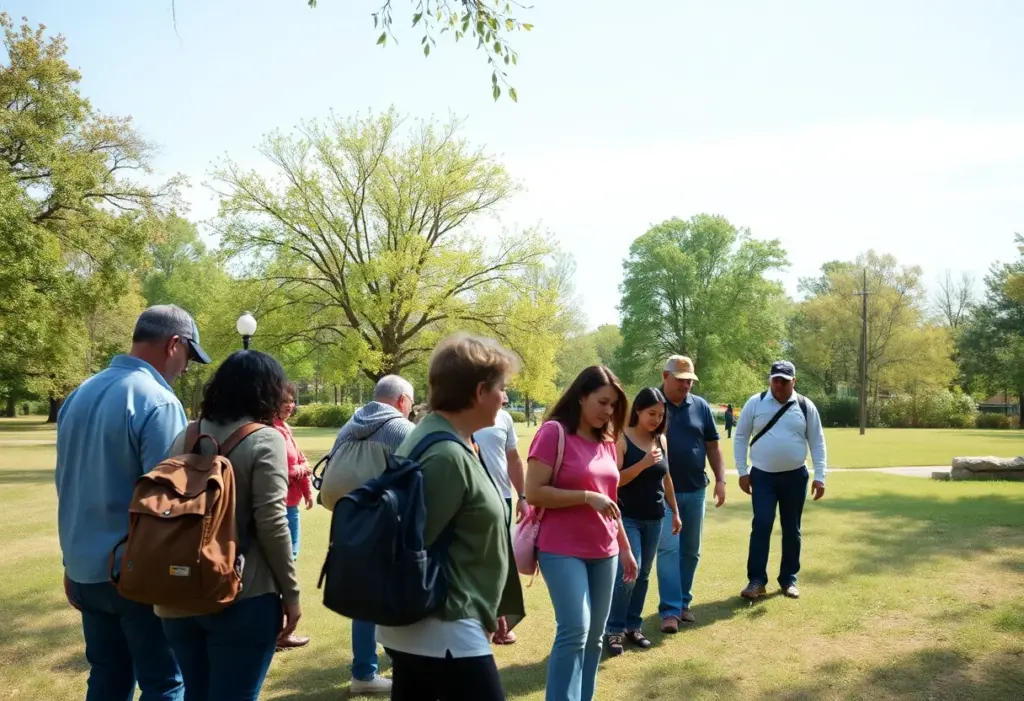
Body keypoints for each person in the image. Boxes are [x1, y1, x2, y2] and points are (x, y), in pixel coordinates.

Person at [55, 304, 211, 701]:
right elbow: (169, 505)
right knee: (163, 681)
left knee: (107, 676)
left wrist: (70, 564)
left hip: (84, 567)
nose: (186, 368)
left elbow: (69, 484)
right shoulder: (157, 400)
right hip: (138, 573)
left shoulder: (80, 392)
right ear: (174, 344)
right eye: (189, 357)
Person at [377, 333, 525, 701]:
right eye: (500, 388)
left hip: (438, 626)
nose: (504, 397)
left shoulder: (445, 440)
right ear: (478, 392)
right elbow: (413, 546)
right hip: (443, 628)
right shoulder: (445, 454)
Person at [156, 350, 301, 701]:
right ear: (267, 391)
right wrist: (292, 595)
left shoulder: (186, 435)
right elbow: (272, 522)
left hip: (179, 593)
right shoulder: (266, 439)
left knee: (197, 693)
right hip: (243, 594)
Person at [525, 365, 638, 701]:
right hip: (561, 549)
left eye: (613, 406)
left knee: (595, 638)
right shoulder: (553, 433)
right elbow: (534, 492)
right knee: (575, 629)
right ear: (581, 396)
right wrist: (586, 497)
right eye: (602, 402)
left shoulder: (607, 440)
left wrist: (626, 548)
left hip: (606, 551)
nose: (608, 411)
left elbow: (611, 501)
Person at [325, 374, 416, 695]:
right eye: (411, 405)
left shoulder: (350, 425)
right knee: (398, 594)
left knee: (365, 597)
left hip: (350, 520)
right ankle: (395, 666)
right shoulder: (401, 428)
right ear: (402, 400)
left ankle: (364, 670)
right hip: (389, 522)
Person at [733, 360, 827, 600]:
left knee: (791, 528)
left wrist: (820, 476)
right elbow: (741, 436)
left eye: (784, 381)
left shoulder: (805, 406)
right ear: (770, 380)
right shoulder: (755, 403)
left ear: (793, 381)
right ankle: (756, 581)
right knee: (762, 524)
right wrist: (742, 471)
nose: (779, 384)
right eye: (775, 379)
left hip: (796, 476)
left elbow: (817, 441)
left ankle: (788, 580)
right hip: (762, 476)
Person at [605, 387, 682, 656]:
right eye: (652, 413)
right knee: (629, 573)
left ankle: (632, 626)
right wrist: (644, 463)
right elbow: (614, 480)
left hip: (656, 517)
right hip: (628, 518)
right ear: (637, 410)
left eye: (661, 415)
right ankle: (613, 630)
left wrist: (676, 511)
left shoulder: (661, 439)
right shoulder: (622, 439)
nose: (656, 420)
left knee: (644, 574)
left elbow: (667, 478)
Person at [655, 355, 726, 633]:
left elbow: (712, 446)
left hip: (696, 490)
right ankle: (670, 610)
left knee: (691, 551)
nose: (686, 386)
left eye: (690, 382)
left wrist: (721, 479)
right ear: (665, 375)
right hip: (661, 493)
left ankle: (683, 602)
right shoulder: (652, 404)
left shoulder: (701, 406)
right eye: (681, 380)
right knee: (669, 550)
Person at [473, 389, 525, 646]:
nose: (504, 392)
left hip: (501, 499)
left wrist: (523, 497)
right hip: (468, 500)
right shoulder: (461, 414)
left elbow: (513, 459)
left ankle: (500, 623)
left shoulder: (504, 419)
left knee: (500, 561)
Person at [272, 382, 313, 650]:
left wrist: (307, 491)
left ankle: (279, 631)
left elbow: (298, 460)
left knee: (288, 563)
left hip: (292, 505)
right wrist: (303, 469)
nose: (290, 405)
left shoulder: (285, 429)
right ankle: (278, 632)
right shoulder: (272, 432)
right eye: (284, 400)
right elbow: (281, 471)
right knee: (281, 569)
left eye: (292, 401)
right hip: (279, 507)